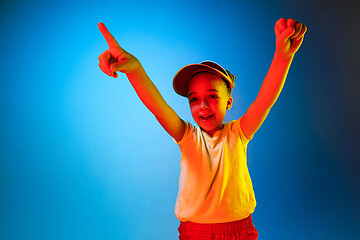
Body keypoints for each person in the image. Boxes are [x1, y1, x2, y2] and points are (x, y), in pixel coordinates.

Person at [98, 18, 307, 240]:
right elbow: (157, 107)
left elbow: (265, 100)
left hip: (237, 231)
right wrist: (135, 70)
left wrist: (283, 57)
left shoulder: (238, 133)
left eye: (212, 97)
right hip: (195, 233)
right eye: (194, 99)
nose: (203, 106)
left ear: (228, 101)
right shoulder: (187, 135)